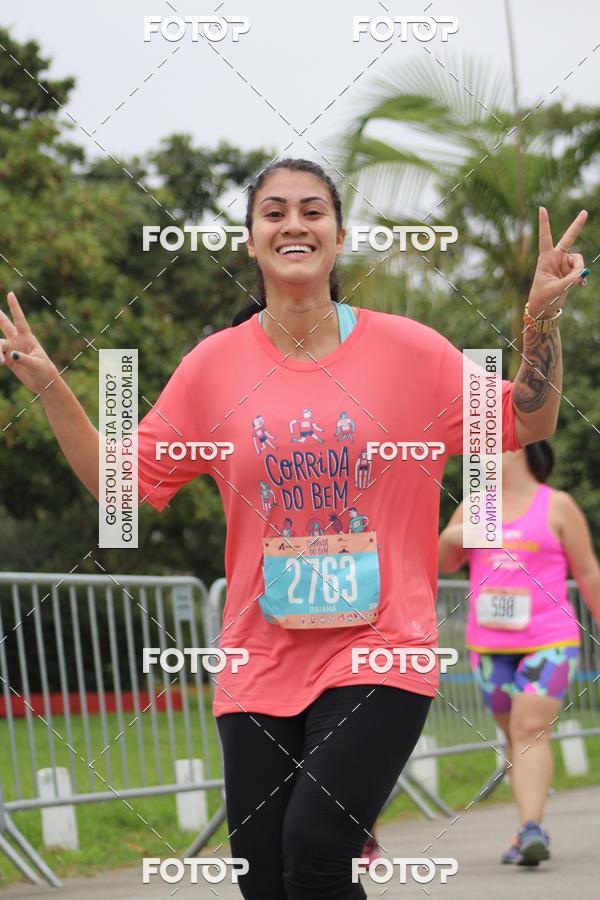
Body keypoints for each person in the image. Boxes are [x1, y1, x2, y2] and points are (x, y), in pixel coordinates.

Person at [0, 157, 589, 898]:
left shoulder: (411, 352)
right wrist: (53, 387)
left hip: (381, 646)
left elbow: (526, 417)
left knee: (317, 850)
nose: (294, 223)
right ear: (251, 240)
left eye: (313, 210)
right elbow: (121, 483)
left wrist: (540, 316)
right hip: (258, 657)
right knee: (266, 875)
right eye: (273, 211)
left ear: (339, 236)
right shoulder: (212, 365)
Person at [438, 441, 600, 867]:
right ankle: (526, 828)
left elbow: (587, 571)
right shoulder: (474, 506)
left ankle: (532, 828)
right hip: (490, 647)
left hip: (549, 639)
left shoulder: (558, 505)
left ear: (522, 451)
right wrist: (452, 535)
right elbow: (444, 563)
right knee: (515, 737)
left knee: (530, 729)